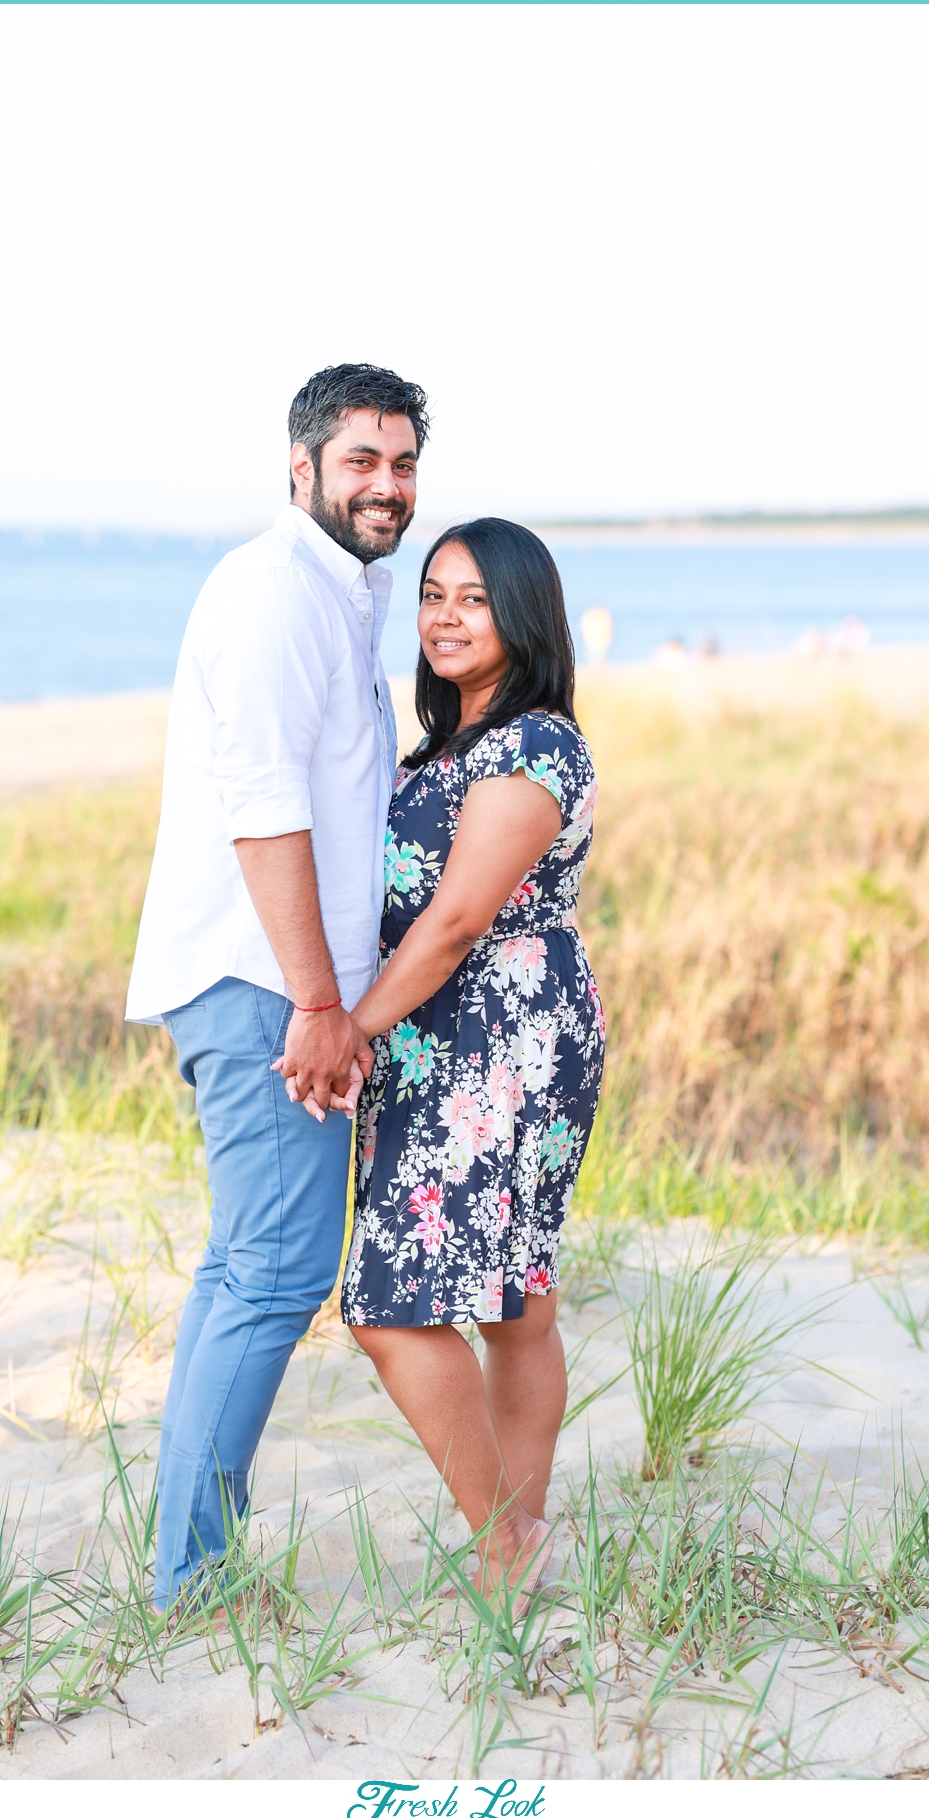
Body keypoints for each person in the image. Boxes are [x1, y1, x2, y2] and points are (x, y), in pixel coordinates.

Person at [125, 363, 429, 1613]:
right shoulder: (272, 595)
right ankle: (189, 1577)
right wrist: (319, 1001)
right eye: (361, 460)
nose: (387, 485)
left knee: (246, 1265)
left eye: (404, 463)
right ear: (298, 469)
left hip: (278, 981)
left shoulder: (338, 596)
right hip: (262, 983)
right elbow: (265, 810)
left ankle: (187, 1553)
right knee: (278, 1270)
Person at [319, 518, 605, 1599]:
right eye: (432, 594)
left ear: (522, 613)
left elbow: (455, 921)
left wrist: (351, 1027)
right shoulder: (440, 750)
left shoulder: (534, 745)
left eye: (472, 598)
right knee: (511, 1300)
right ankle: (517, 1543)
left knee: (400, 1308)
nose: (444, 614)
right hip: (438, 1038)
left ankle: (504, 1540)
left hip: (504, 1041)